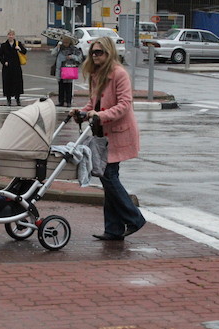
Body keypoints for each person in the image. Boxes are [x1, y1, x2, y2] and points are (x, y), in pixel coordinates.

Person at [70, 37, 146, 241]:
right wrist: (81, 112)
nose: (95, 56)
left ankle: (135, 218)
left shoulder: (119, 74)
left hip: (119, 132)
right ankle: (114, 229)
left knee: (108, 176)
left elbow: (124, 105)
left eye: (99, 52)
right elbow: (93, 103)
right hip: (103, 134)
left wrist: (99, 116)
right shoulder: (96, 74)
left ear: (109, 52)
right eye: (93, 52)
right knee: (108, 178)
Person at [0, 29, 27, 106]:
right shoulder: (4, 45)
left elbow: (24, 51)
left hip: (16, 67)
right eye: (9, 35)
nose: (11, 36)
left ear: (14, 36)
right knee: (7, 83)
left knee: (17, 83)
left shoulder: (18, 44)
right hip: (7, 68)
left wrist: (19, 49)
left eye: (12, 35)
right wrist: (4, 62)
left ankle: (18, 99)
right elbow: (0, 55)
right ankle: (8, 100)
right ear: (7, 36)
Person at [51, 36, 82, 107]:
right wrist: (57, 47)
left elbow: (79, 58)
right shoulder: (60, 49)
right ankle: (61, 101)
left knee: (68, 87)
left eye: (67, 42)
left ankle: (68, 101)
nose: (65, 44)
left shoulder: (74, 50)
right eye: (64, 42)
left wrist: (72, 57)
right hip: (60, 71)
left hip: (69, 70)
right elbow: (53, 54)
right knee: (61, 87)